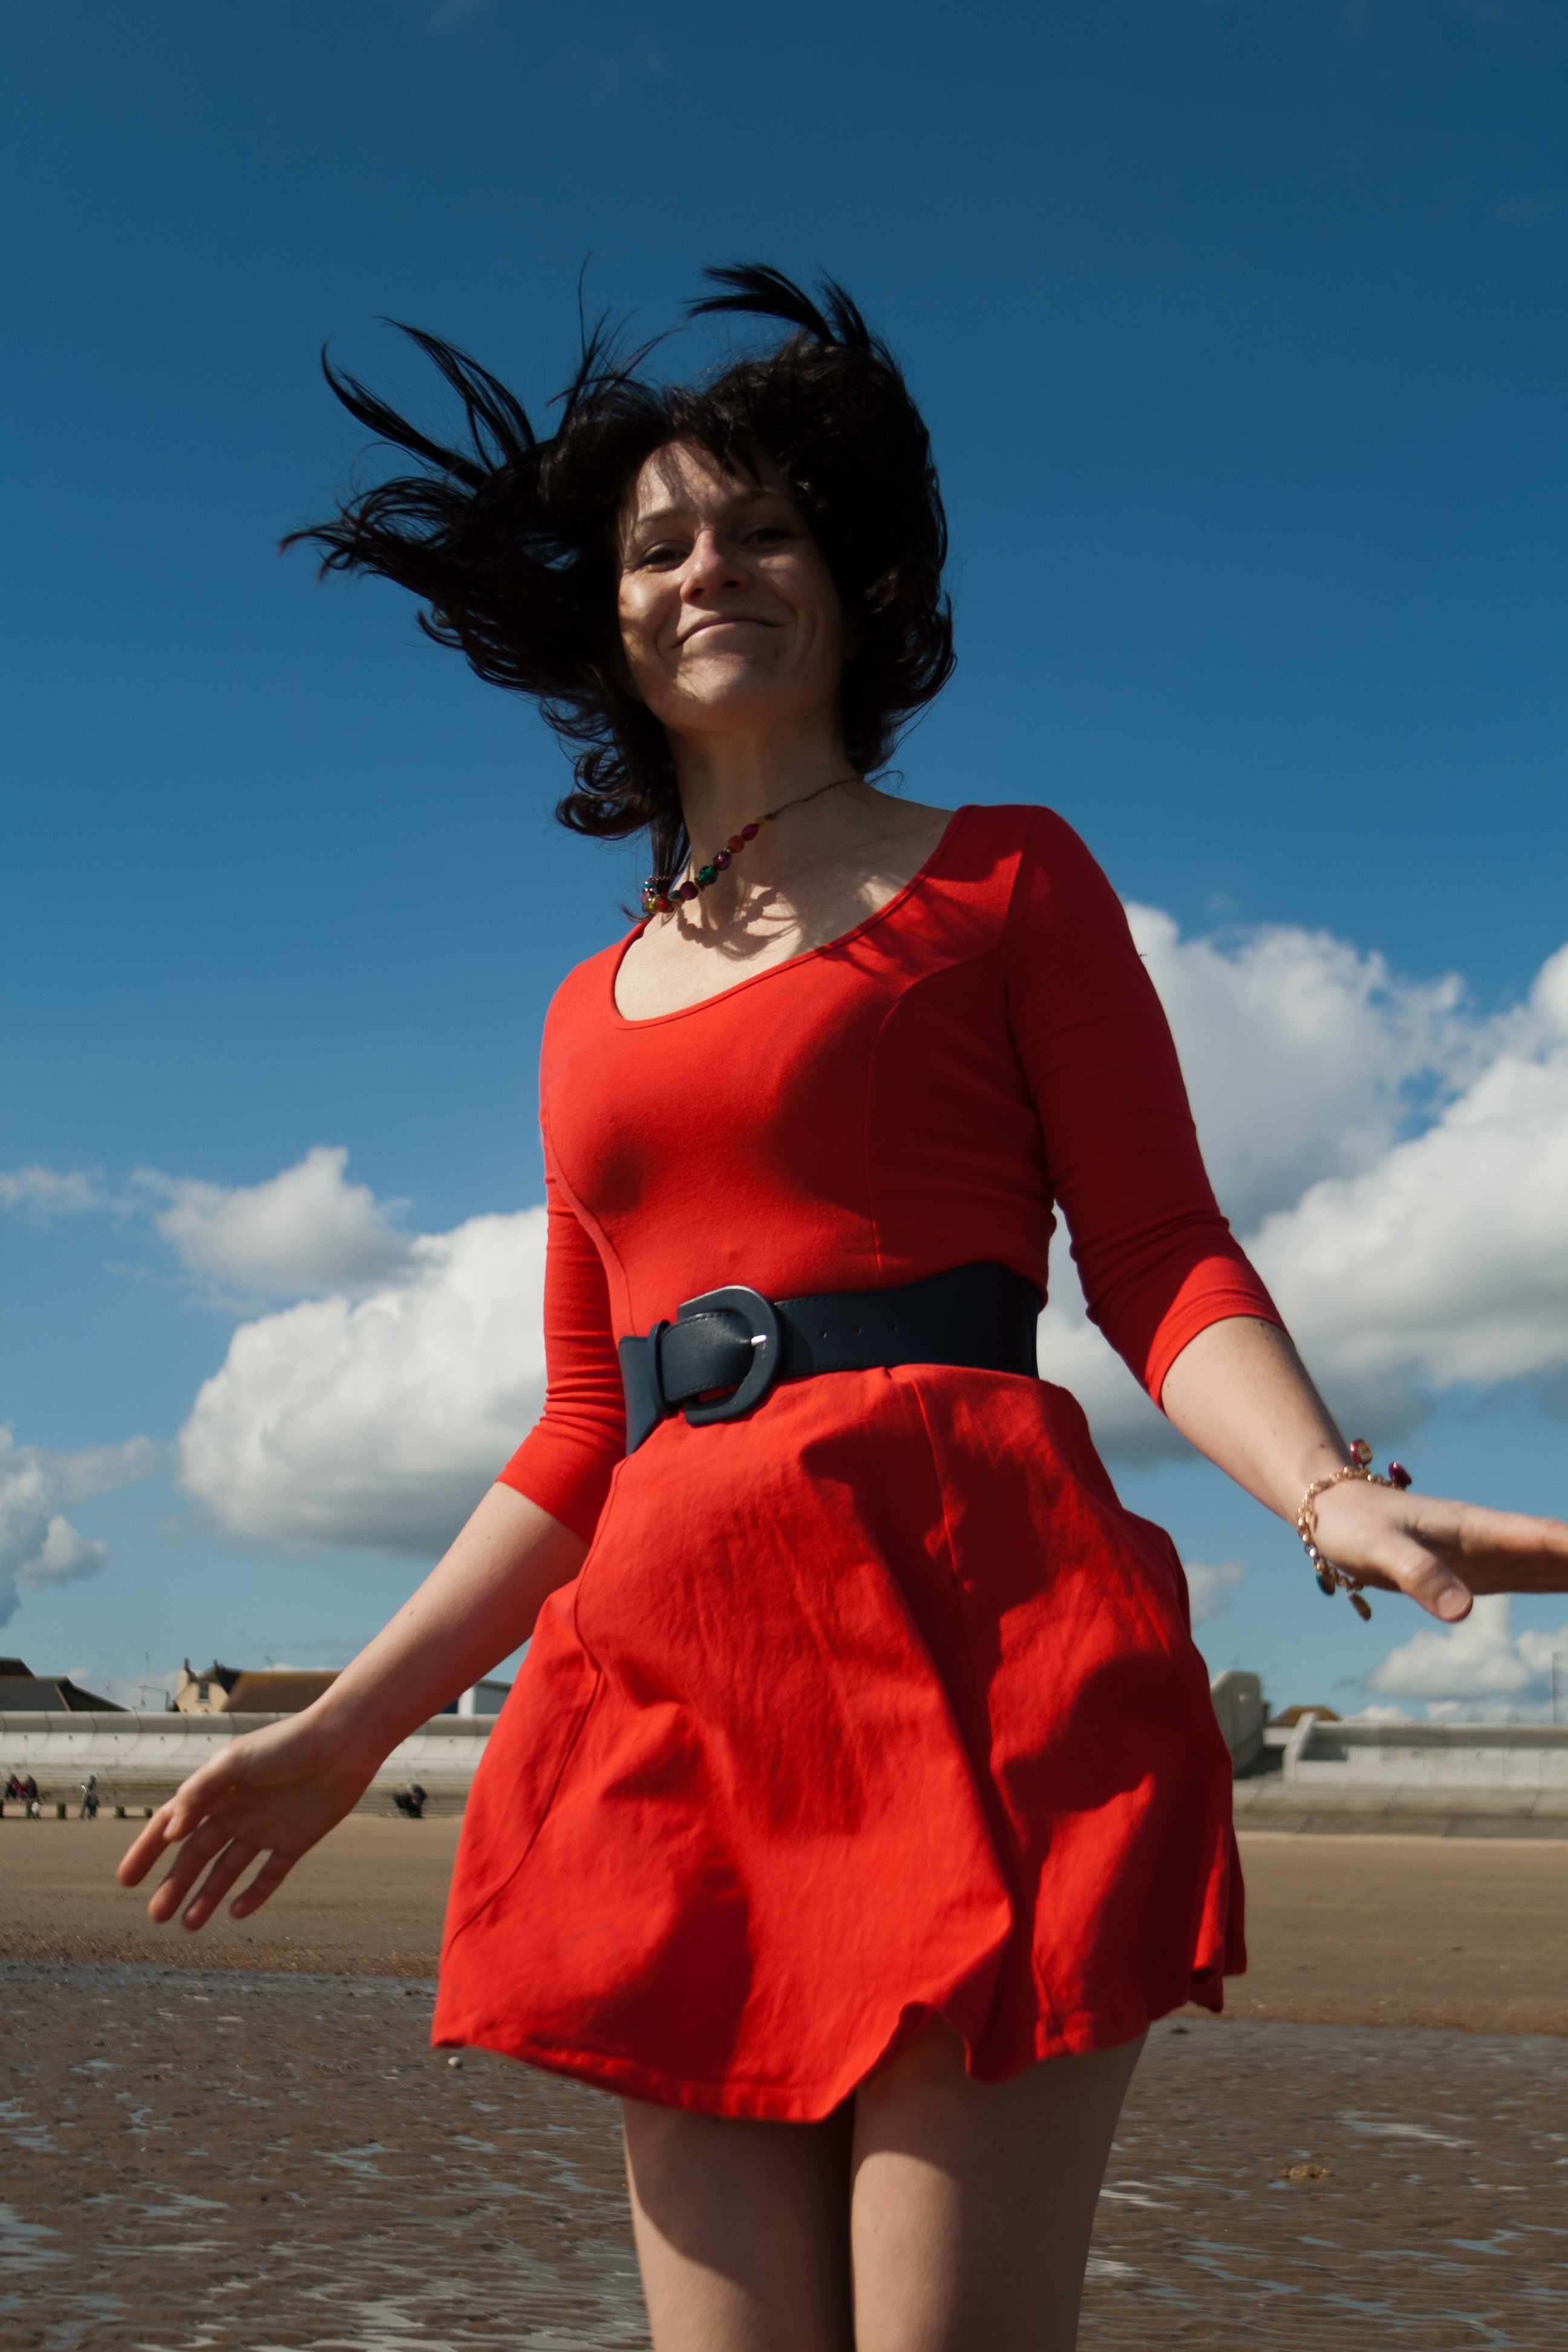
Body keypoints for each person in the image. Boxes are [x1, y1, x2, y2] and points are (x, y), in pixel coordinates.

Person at [119, 266, 1568, 2351]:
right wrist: (347, 1732)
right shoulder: (584, 1010)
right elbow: (581, 1430)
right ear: (610, 617)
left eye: (766, 527)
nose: (710, 566)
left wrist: (1332, 1493)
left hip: (978, 1645)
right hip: (674, 1694)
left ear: (856, 583)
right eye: (660, 544)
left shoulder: (1009, 876)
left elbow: (1159, 1251)